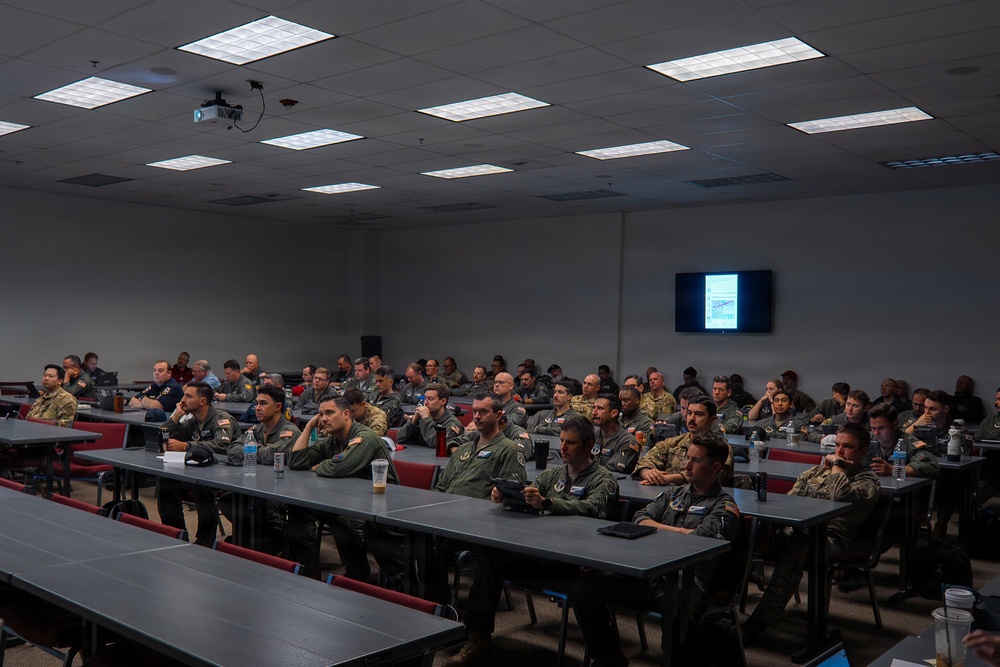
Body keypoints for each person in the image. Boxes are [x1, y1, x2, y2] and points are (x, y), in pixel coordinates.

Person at [444, 415, 619, 666]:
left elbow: (593, 509)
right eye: (561, 441)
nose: (563, 448)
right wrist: (508, 495)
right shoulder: (554, 474)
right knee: (490, 560)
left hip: (573, 561)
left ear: (589, 445)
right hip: (541, 550)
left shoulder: (604, 479)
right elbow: (532, 494)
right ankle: (478, 638)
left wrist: (547, 503)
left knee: (493, 561)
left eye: (570, 443)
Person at [572, 431, 741, 667]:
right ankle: (608, 656)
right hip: (648, 571)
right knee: (584, 586)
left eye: (696, 460)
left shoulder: (725, 506)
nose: (687, 465)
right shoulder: (674, 493)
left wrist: (657, 528)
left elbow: (700, 542)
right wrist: (679, 532)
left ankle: (676, 659)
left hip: (688, 578)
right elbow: (640, 517)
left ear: (714, 467)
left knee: (674, 601)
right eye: (687, 458)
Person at [365, 392, 527, 592]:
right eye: (475, 411)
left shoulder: (509, 450)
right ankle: (407, 581)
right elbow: (441, 487)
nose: (476, 416)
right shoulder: (464, 448)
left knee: (426, 538)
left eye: (483, 412)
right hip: (442, 513)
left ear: (499, 415)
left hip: (475, 521)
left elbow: (512, 498)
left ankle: (435, 598)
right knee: (376, 527)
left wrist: (499, 498)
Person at [741, 422, 880, 643]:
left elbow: (840, 495)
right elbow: (789, 501)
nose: (839, 451)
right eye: (837, 445)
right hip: (795, 531)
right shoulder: (815, 472)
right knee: (742, 530)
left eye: (848, 447)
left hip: (829, 540)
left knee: (796, 552)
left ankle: (759, 622)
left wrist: (837, 467)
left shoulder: (868, 481)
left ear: (863, 451)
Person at [288, 396, 398, 579]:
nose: (323, 419)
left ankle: (358, 573)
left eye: (330, 413)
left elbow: (337, 467)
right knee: (298, 505)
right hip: (347, 501)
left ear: (347, 414)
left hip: (378, 507)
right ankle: (309, 568)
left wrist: (320, 466)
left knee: (344, 523)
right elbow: (295, 461)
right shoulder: (333, 441)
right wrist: (308, 427)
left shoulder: (365, 437)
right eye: (321, 414)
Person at [157, 382, 242, 546]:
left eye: (188, 396)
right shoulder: (191, 420)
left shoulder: (222, 419)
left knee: (201, 483)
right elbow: (163, 437)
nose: (182, 400)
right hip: (197, 470)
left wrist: (187, 446)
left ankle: (205, 539)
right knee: (166, 482)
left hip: (226, 473)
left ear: (202, 401)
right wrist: (176, 416)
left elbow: (222, 446)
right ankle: (176, 534)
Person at [224, 385, 301, 553]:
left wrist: (252, 449)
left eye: (263, 403)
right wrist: (257, 450)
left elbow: (273, 456)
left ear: (278, 407)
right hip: (256, 484)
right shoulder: (257, 429)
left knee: (261, 505)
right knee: (228, 500)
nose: (257, 408)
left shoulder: (289, 431)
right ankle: (248, 538)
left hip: (282, 489)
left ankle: (281, 536)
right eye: (256, 403)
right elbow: (232, 450)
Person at [633, 395, 734, 486]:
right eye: (689, 413)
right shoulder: (673, 442)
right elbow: (645, 460)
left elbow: (710, 476)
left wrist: (671, 478)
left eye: (699, 414)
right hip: (670, 497)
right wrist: (647, 472)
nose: (692, 418)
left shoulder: (720, 448)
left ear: (712, 419)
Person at [866, 403, 940, 479]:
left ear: (895, 424)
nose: (876, 433)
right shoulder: (866, 438)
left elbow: (932, 466)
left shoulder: (908, 442)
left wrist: (893, 470)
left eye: (881, 428)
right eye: (873, 428)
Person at [396, 383, 463, 449]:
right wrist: (413, 422)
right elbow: (399, 439)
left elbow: (437, 444)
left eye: (430, 399)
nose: (425, 402)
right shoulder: (421, 417)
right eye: (425, 398)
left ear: (443, 401)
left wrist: (425, 419)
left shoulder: (452, 423)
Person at [592, 394, 641, 474]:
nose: (594, 412)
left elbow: (611, 471)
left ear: (614, 413)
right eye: (594, 408)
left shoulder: (627, 442)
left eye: (600, 408)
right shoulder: (592, 435)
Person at [804, 390, 871, 443]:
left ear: (865, 408)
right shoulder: (838, 419)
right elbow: (812, 433)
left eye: (855, 406)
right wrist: (822, 439)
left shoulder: (872, 422)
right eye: (848, 404)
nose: (850, 409)